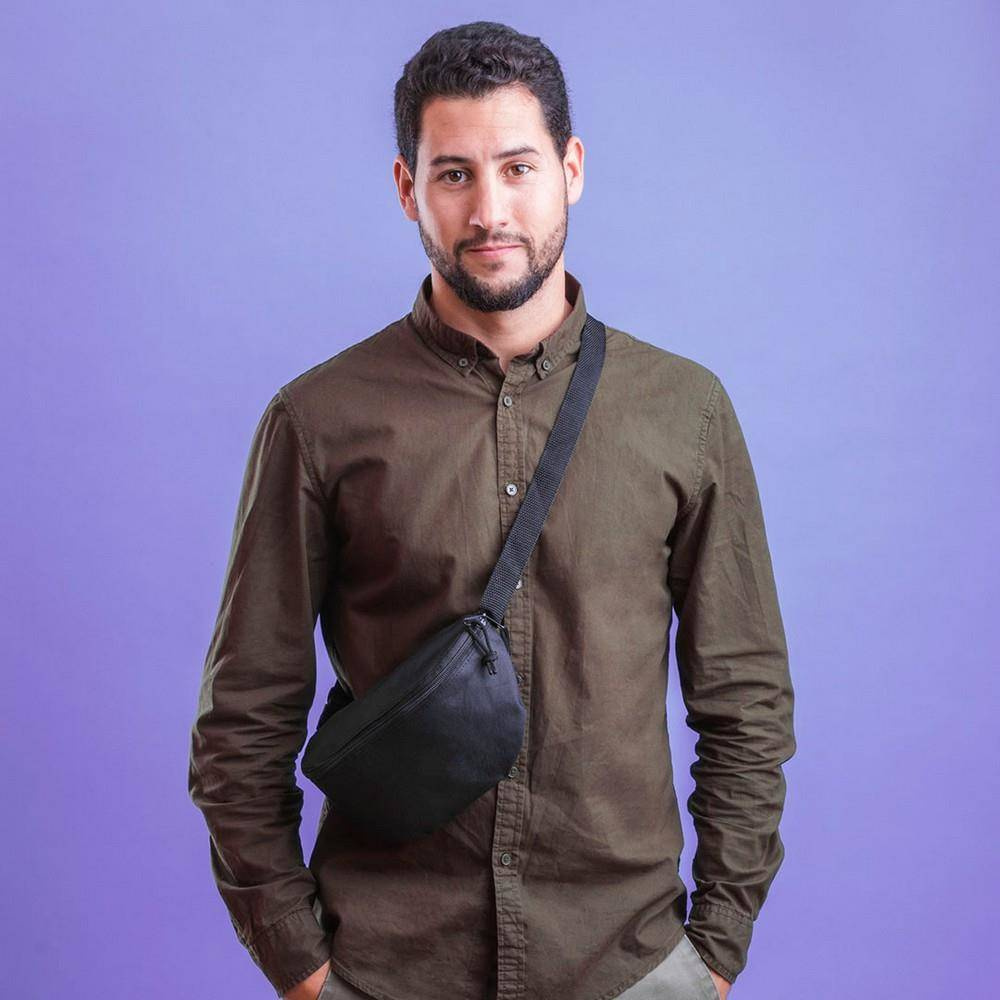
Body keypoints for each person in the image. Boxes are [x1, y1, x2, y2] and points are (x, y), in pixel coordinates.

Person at [188, 20, 796, 1000]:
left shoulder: (685, 411)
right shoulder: (319, 419)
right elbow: (241, 723)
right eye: (454, 174)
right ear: (407, 188)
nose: (489, 209)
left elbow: (746, 703)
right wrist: (299, 964)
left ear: (571, 168)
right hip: (387, 968)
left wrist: (715, 950)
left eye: (518, 168)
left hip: (628, 965)